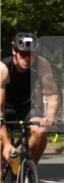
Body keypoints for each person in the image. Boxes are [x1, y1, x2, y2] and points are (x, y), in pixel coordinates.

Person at [0, 32, 59, 167]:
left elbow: (52, 93)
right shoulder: (3, 69)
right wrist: (7, 144)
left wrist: (49, 115)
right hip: (4, 108)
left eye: (32, 54)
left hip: (25, 107)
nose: (27, 59)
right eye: (23, 54)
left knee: (41, 131)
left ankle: (27, 169)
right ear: (14, 51)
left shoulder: (42, 64)